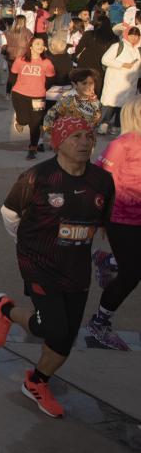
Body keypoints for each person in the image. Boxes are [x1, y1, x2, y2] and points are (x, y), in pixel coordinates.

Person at [0, 116, 114, 418]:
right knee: (54, 328)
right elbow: (9, 212)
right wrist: (25, 242)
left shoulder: (101, 180)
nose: (84, 142)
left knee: (64, 340)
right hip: (39, 263)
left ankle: (36, 381)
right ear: (58, 142)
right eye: (76, 136)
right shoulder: (38, 177)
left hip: (76, 269)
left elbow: (103, 223)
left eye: (88, 136)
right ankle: (6, 310)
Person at [88, 94, 141, 350]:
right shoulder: (122, 144)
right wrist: (97, 219)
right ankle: (100, 323)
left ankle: (107, 260)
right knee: (132, 274)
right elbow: (99, 179)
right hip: (121, 218)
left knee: (132, 266)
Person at [11, 36, 56, 160]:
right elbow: (13, 75)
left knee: (35, 124)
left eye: (42, 44)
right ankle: (20, 122)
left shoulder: (47, 62)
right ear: (30, 47)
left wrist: (42, 88)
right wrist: (16, 87)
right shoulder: (20, 60)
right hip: (20, 94)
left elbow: (51, 79)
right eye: (37, 44)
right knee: (24, 120)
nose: (40, 46)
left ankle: (33, 148)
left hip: (38, 97)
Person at [100, 26, 141, 134]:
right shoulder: (118, 46)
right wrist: (122, 64)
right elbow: (105, 60)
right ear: (126, 35)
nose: (134, 38)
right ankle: (104, 124)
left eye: (136, 36)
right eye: (131, 35)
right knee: (111, 103)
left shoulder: (138, 50)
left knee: (124, 105)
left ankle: (117, 125)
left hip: (130, 83)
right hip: (115, 81)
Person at [42, 67, 102, 141]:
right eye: (84, 83)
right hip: (67, 137)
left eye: (91, 83)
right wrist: (50, 132)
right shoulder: (68, 98)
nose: (88, 87)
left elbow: (96, 118)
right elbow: (51, 114)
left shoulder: (95, 101)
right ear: (74, 84)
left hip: (86, 138)